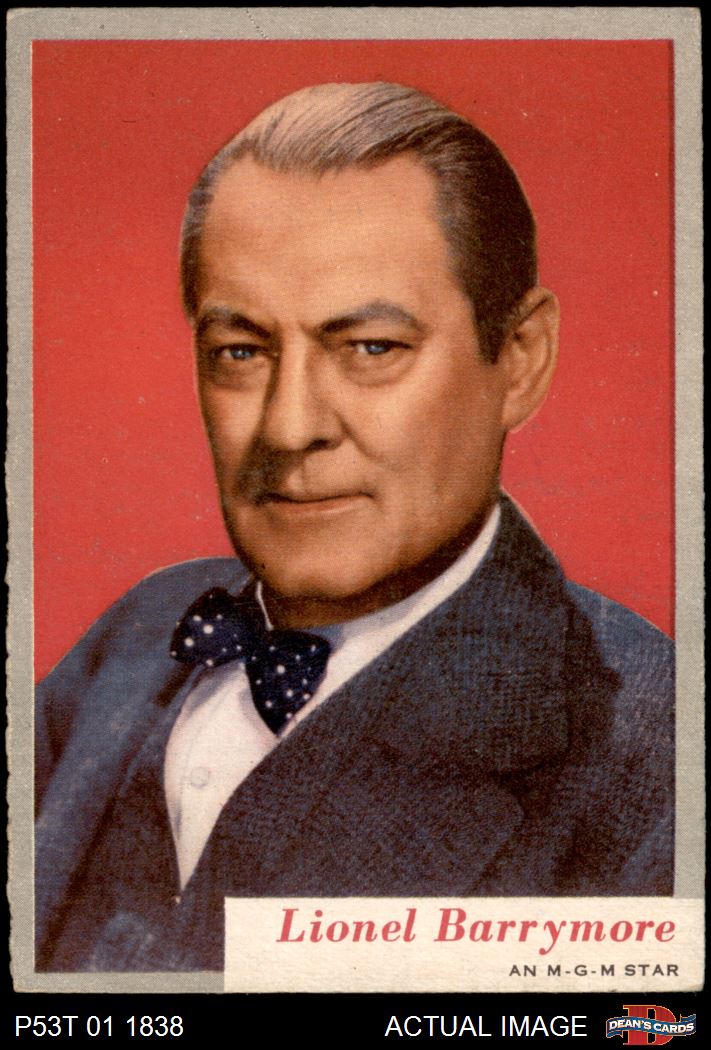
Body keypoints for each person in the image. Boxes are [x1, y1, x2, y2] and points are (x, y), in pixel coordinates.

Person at [35, 82, 674, 973]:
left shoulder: (656, 757)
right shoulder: (141, 628)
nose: (288, 426)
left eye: (371, 348)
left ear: (520, 359)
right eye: (240, 352)